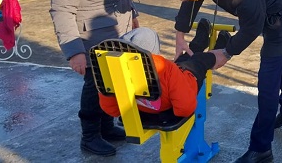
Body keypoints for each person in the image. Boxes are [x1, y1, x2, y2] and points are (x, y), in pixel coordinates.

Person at [172, 0, 282, 163]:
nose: (195, 1)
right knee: (281, 56)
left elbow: (252, 27)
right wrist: (180, 35)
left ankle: (261, 148)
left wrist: (226, 52)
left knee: (268, 77)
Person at [49, 0, 138, 157]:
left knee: (111, 86)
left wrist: (133, 15)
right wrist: (74, 51)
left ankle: (107, 127)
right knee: (95, 86)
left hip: (115, 32)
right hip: (91, 40)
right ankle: (90, 136)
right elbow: (62, 11)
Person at [98, 21, 231, 118]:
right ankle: (217, 51)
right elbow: (185, 108)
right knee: (199, 62)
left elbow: (111, 110)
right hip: (182, 83)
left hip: (146, 107)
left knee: (182, 61)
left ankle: (198, 44)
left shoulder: (114, 72)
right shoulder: (164, 67)